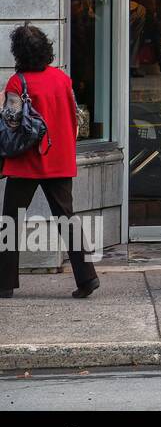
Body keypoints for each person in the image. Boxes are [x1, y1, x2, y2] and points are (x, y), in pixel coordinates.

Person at [1, 25, 98, 299]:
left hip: (27, 160)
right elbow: (74, 115)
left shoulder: (17, 83)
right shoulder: (62, 78)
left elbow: (11, 120)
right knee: (66, 217)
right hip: (58, 156)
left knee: (10, 220)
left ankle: (4, 283)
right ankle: (87, 277)